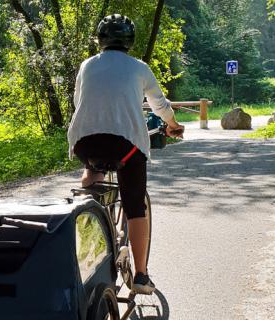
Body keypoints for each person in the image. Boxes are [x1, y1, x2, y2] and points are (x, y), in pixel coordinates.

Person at [67, 14, 184, 294]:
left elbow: (78, 101)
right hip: (125, 145)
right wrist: (172, 125)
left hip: (84, 141)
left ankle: (92, 216)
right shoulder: (139, 68)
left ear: (100, 39)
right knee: (134, 205)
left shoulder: (87, 65)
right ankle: (141, 276)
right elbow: (160, 105)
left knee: (92, 170)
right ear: (130, 41)